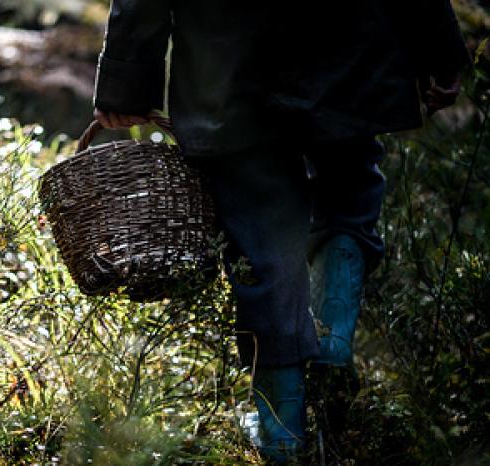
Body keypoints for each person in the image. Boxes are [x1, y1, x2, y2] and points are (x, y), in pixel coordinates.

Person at [91, 1, 470, 462]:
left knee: (261, 243)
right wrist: (441, 49)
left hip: (228, 69)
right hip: (348, 50)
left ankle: (281, 437)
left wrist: (125, 82)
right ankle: (332, 338)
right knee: (349, 194)